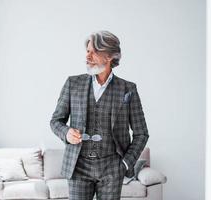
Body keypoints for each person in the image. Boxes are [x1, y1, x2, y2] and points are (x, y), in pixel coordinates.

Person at [50, 30, 149, 200]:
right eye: (87, 51)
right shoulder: (73, 83)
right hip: (78, 165)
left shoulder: (128, 89)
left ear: (109, 56)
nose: (87, 56)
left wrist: (125, 163)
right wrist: (66, 133)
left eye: (94, 51)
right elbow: (56, 121)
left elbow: (141, 133)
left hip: (112, 167)